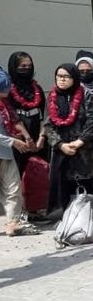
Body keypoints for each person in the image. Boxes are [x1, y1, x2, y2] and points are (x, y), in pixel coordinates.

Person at [43, 63, 93, 215]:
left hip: (82, 150)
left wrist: (80, 141)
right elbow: (48, 125)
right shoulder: (53, 96)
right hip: (61, 150)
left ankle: (86, 221)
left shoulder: (85, 94)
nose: (61, 80)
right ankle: (67, 222)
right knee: (64, 187)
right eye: (59, 76)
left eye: (65, 76)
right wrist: (60, 145)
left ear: (74, 77)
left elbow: (92, 120)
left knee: (85, 188)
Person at [0, 68, 39, 237]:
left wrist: (25, 136)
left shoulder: (4, 104)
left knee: (13, 188)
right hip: (7, 147)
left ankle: (13, 223)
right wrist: (13, 141)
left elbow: (13, 119)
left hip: (5, 154)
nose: (5, 94)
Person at [6, 52, 46, 178]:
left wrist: (41, 137)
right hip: (18, 137)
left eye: (29, 66)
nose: (27, 70)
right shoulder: (7, 90)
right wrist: (26, 138)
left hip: (37, 136)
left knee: (39, 175)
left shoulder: (37, 88)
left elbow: (43, 115)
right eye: (23, 67)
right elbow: (11, 116)